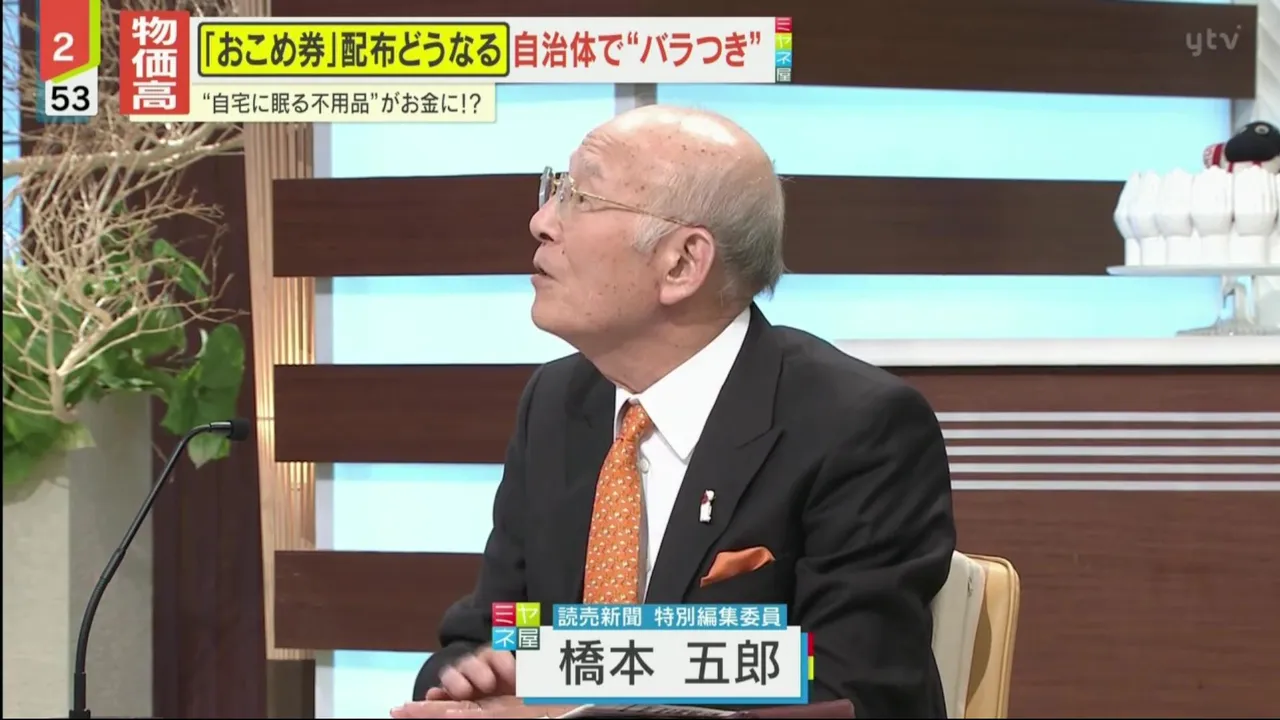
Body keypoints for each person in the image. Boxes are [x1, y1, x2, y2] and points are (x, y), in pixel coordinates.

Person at [391, 105, 957, 719]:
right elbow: (491, 634)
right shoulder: (557, 402)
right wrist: (466, 682)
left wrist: (563, 713)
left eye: (580, 197)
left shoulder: (858, 427)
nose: (541, 222)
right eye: (554, 188)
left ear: (682, 263)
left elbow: (853, 694)